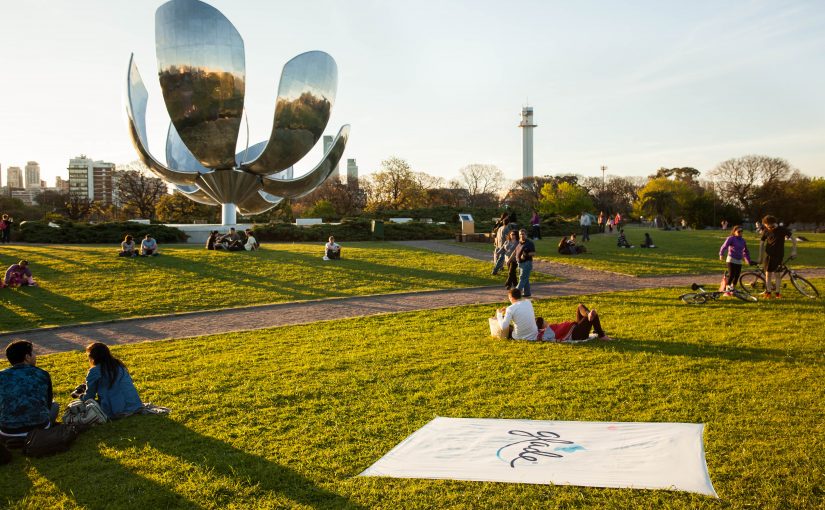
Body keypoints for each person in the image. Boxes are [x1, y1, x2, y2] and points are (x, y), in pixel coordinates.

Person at [0, 341, 59, 442]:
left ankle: (15, 439)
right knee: (55, 405)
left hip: (7, 431)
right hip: (40, 428)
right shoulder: (42, 374)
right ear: (27, 357)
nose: (35, 355)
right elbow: (47, 405)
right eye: (34, 352)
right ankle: (33, 437)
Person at [77, 343, 143, 419]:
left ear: (92, 357)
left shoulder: (95, 371)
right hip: (135, 405)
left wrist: (80, 396)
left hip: (116, 410)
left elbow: (89, 396)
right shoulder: (119, 366)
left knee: (78, 406)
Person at [758, 215, 797, 299]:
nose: (765, 226)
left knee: (777, 275)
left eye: (765, 224)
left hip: (778, 256)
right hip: (768, 256)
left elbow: (793, 239)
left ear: (770, 223)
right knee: (768, 274)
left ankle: (777, 293)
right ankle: (768, 292)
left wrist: (794, 251)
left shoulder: (782, 229)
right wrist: (760, 256)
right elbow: (761, 243)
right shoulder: (766, 230)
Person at [536, 304, 612, 342]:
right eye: (544, 321)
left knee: (580, 307)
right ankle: (601, 335)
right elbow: (543, 338)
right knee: (593, 316)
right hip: (575, 334)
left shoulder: (548, 329)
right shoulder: (545, 332)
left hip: (574, 328)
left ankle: (589, 315)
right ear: (542, 326)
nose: (546, 321)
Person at [719, 225, 751, 293]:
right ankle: (727, 290)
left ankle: (733, 289)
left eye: (741, 231)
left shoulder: (743, 240)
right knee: (732, 274)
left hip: (739, 260)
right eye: (739, 231)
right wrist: (721, 254)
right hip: (731, 259)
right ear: (734, 232)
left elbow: (745, 251)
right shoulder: (731, 238)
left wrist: (747, 259)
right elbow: (724, 246)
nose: (740, 233)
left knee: (737, 275)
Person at [515, 229, 535, 298]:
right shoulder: (520, 242)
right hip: (520, 263)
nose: (521, 235)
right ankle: (527, 293)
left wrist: (525, 255)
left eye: (523, 234)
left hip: (527, 263)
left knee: (522, 278)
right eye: (520, 234)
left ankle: (515, 294)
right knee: (525, 278)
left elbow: (533, 253)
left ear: (526, 235)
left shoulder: (529, 243)